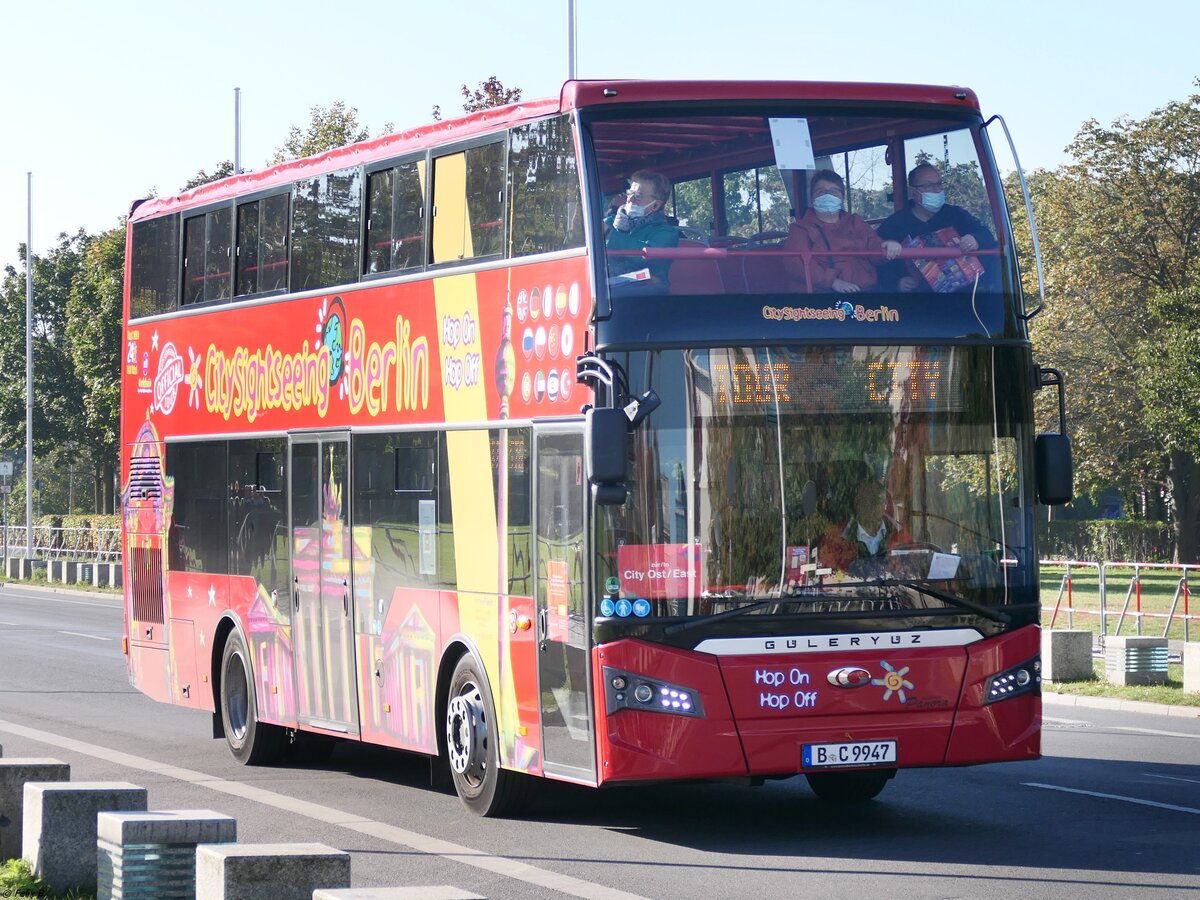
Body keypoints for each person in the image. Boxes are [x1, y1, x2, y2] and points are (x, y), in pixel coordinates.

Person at [877, 162, 997, 292]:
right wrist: (897, 283)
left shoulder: (956, 215)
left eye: (939, 184)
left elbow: (987, 235)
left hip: (963, 298)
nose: (936, 190)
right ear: (913, 191)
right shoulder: (895, 223)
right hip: (918, 301)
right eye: (928, 185)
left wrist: (975, 239)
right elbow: (876, 260)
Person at [784, 169, 883, 293]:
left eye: (833, 192)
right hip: (824, 294)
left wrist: (887, 247)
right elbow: (795, 264)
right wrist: (832, 282)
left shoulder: (855, 222)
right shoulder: (800, 229)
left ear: (842, 198)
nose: (827, 196)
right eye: (821, 192)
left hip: (867, 290)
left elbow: (875, 247)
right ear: (812, 197)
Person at [604, 170, 679, 295]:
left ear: (655, 205)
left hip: (647, 293)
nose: (630, 199)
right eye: (630, 193)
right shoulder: (613, 221)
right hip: (611, 286)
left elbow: (642, 258)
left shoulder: (667, 233)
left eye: (638, 196)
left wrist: (611, 234)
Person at [819, 480, 912, 574]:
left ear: (885, 505)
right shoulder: (835, 537)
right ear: (857, 504)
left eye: (878, 501)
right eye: (869, 501)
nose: (874, 507)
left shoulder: (901, 535)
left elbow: (914, 570)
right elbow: (825, 575)